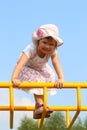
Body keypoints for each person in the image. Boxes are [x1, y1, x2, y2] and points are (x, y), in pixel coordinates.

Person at [11, 24, 64, 119]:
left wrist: (61, 78)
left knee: (50, 75)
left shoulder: (53, 51)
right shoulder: (31, 48)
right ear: (38, 41)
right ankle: (39, 105)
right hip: (26, 68)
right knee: (37, 80)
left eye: (51, 44)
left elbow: (56, 63)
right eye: (44, 42)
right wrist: (14, 77)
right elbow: (21, 63)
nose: (47, 47)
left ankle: (38, 110)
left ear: (55, 46)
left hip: (40, 67)